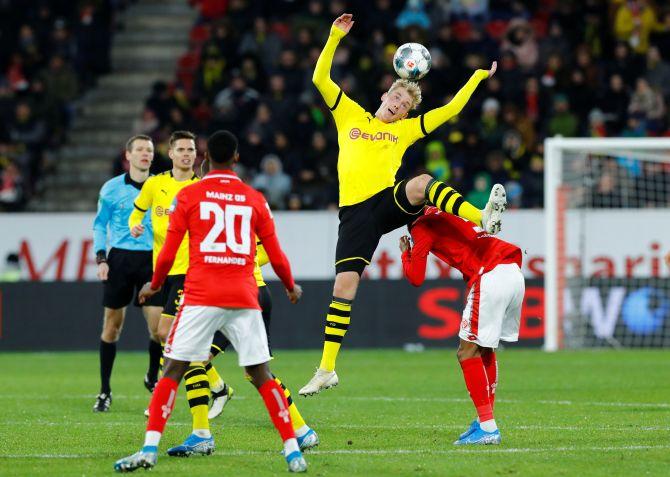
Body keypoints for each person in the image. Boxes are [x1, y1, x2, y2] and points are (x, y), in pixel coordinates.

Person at [299, 13, 505, 396]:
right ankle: (327, 368)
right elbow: (319, 79)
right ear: (384, 96)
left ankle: (481, 215)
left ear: (408, 113)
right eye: (396, 96)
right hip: (355, 214)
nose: (398, 104)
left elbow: (451, 112)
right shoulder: (350, 115)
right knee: (344, 288)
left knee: (422, 183)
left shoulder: (404, 131)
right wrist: (333, 37)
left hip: (385, 203)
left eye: (405, 102)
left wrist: (476, 78)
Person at [114, 130, 307, 473]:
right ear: (235, 158)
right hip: (245, 295)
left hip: (201, 295)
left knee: (172, 369)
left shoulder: (190, 195)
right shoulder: (254, 198)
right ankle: (293, 452)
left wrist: (154, 286)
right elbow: (275, 253)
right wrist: (291, 285)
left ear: (205, 159)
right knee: (261, 374)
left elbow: (170, 251)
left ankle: (148, 450)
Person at [128, 130, 232, 456]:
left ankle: (178, 398)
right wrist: (135, 224)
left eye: (191, 149)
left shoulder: (200, 188)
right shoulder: (154, 185)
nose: (187, 154)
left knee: (166, 333)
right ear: (170, 153)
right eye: (182, 149)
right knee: (165, 337)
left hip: (191, 272)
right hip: (162, 272)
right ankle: (217, 385)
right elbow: (137, 210)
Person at [399, 206, 524, 445]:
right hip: (513, 270)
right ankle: (485, 421)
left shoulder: (421, 225)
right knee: (485, 348)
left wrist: (407, 253)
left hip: (490, 273)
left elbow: (416, 277)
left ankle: (488, 428)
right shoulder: (449, 209)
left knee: (466, 352)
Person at [206, 238, 319, 450]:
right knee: (253, 372)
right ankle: (301, 431)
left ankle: (204, 423)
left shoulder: (216, 213)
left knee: (195, 356)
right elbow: (270, 252)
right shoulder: (247, 213)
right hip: (249, 292)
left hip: (242, 295)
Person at [91, 135, 164, 412]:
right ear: (128, 155)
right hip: (119, 259)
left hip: (152, 260)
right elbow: (100, 225)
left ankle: (151, 377)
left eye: (149, 150)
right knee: (112, 327)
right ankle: (105, 391)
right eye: (141, 150)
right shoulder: (111, 188)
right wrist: (101, 258)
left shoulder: (161, 186)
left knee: (157, 328)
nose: (146, 154)